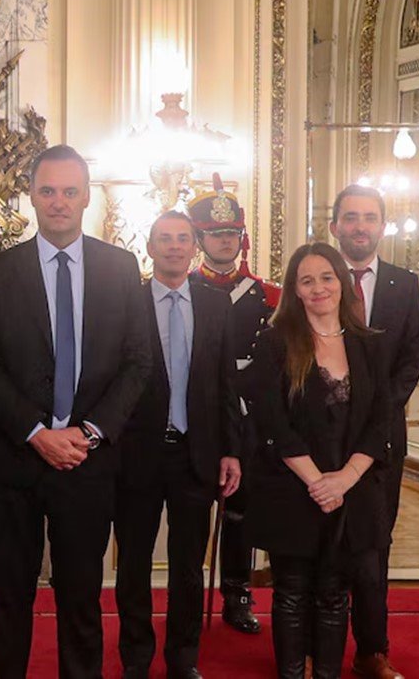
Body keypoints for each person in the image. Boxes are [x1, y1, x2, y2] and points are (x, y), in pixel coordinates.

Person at [0, 145, 152, 678]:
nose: (58, 202)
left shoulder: (120, 268)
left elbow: (138, 363)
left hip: (86, 464)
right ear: (31, 196)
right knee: (9, 601)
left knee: (80, 601)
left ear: (87, 197)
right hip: (10, 464)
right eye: (47, 191)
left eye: (70, 191)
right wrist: (36, 432)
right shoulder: (0, 269)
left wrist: (87, 434)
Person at [246, 242, 392, 679]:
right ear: (294, 288)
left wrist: (344, 480)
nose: (318, 288)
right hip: (294, 487)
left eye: (326, 277)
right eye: (306, 280)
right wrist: (318, 483)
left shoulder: (370, 345)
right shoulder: (275, 342)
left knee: (334, 593)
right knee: (291, 592)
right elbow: (272, 422)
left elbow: (381, 421)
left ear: (341, 282)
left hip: (353, 491)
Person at [115, 211, 242, 679]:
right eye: (164, 239)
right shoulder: (127, 302)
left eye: (182, 239)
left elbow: (227, 382)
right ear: (149, 248)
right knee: (133, 563)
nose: (173, 246)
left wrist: (231, 450)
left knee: (189, 566)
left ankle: (183, 658)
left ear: (195, 247)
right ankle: (136, 657)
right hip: (137, 454)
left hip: (197, 455)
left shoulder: (216, 304)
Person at [328, 185, 419, 679]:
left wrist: (374, 416)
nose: (359, 226)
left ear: (381, 226)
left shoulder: (404, 285)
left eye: (369, 217)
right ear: (334, 226)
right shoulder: (317, 280)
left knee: (371, 553)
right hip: (322, 441)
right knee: (319, 552)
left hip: (381, 445)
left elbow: (411, 360)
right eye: (350, 217)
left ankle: (372, 652)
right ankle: (311, 651)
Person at [186, 173, 280, 635]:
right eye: (214, 234)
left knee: (240, 507)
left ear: (240, 238)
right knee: (191, 505)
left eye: (230, 233)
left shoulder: (270, 296)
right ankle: (186, 592)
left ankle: (238, 591)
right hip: (196, 413)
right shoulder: (180, 290)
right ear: (199, 238)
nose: (224, 241)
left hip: (249, 416)